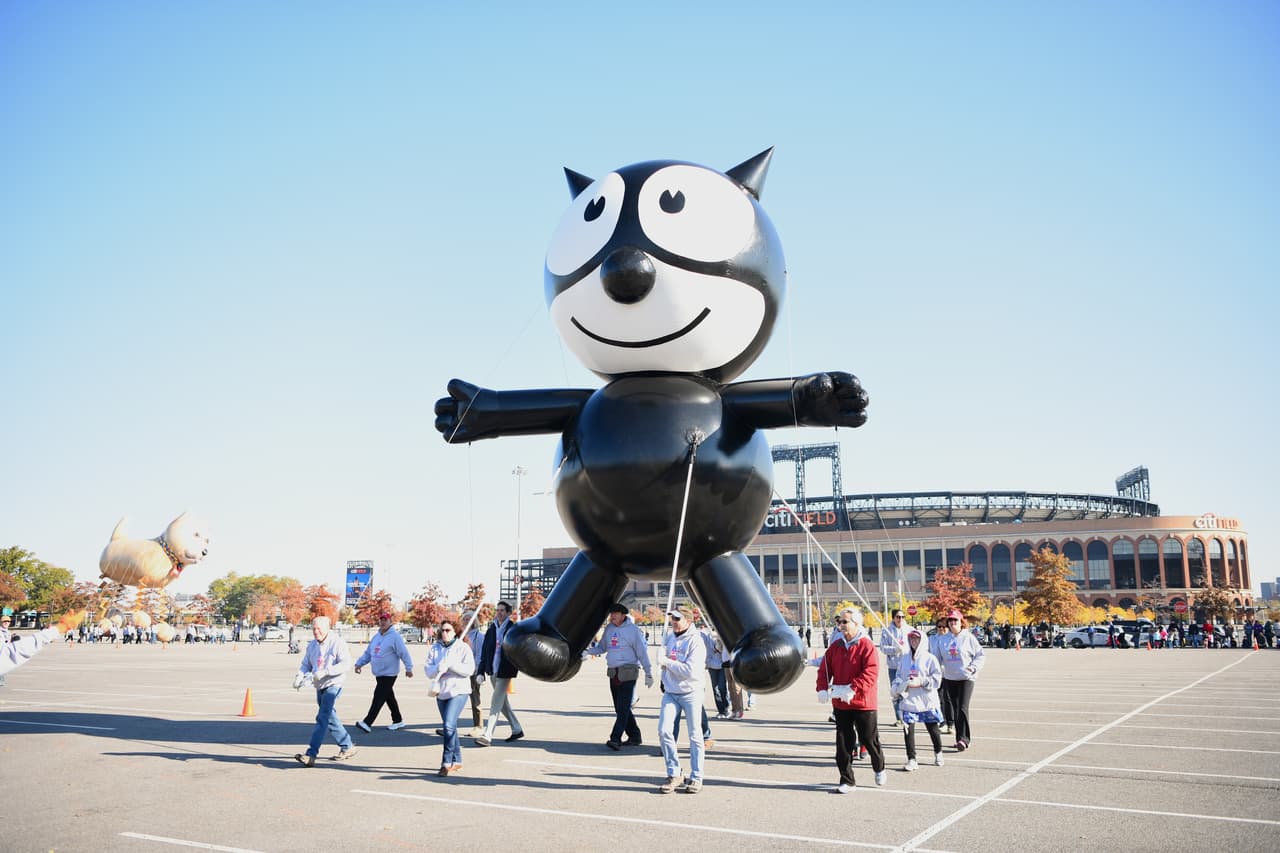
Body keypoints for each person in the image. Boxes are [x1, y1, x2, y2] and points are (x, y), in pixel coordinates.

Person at [817, 607, 885, 793]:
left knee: (868, 738)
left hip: (863, 702)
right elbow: (824, 669)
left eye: (845, 622)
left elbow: (871, 672)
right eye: (839, 622)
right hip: (841, 702)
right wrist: (822, 688)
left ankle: (879, 766)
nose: (841, 625)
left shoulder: (867, 645)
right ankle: (847, 780)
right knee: (843, 742)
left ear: (857, 624)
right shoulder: (835, 646)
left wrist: (853, 688)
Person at [585, 603, 652, 750]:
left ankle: (615, 738)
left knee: (623, 707)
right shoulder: (609, 629)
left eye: (615, 614)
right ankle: (635, 735)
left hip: (628, 672)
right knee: (620, 707)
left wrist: (648, 672)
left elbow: (642, 652)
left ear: (623, 615)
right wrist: (588, 652)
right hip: (613, 672)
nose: (612, 616)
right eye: (611, 614)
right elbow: (602, 647)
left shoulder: (633, 631)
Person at [293, 615, 357, 766]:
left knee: (322, 717)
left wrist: (326, 671)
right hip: (319, 685)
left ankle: (311, 754)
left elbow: (346, 664)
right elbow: (306, 664)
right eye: (313, 629)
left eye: (319, 629)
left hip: (334, 683)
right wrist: (299, 676)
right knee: (329, 716)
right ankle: (347, 746)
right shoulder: (312, 645)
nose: (316, 632)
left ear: (327, 628)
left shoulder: (337, 643)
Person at [656, 607, 707, 794]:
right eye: (672, 618)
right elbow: (667, 666)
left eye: (677, 618)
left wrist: (666, 662)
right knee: (663, 731)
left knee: (695, 736)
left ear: (688, 620)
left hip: (691, 692)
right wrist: (662, 673)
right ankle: (674, 772)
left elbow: (690, 671)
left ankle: (696, 776)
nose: (674, 622)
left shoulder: (696, 641)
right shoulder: (669, 638)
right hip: (671, 692)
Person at [424, 619, 476, 776]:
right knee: (450, 727)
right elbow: (428, 670)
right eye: (443, 630)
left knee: (448, 725)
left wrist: (452, 666)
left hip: (459, 691)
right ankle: (457, 760)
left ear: (455, 632)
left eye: (448, 630)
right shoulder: (435, 648)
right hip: (441, 692)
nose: (445, 633)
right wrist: (438, 668)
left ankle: (446, 763)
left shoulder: (462, 648)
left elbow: (470, 670)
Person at [891, 627, 945, 770]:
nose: (914, 641)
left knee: (933, 729)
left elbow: (937, 678)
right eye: (911, 639)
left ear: (922, 640)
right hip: (909, 701)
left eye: (916, 638)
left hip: (926, 700)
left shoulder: (930, 658)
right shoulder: (904, 658)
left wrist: (922, 681)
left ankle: (938, 752)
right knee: (908, 730)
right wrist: (897, 686)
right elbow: (898, 675)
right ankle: (912, 758)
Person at [352, 611, 414, 732]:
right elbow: (369, 653)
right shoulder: (377, 637)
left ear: (390, 621)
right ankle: (398, 720)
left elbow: (404, 653)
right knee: (389, 697)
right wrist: (359, 663)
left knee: (378, 697)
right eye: (381, 620)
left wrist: (409, 668)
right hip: (379, 673)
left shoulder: (395, 637)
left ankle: (367, 722)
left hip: (389, 673)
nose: (383, 622)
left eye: (385, 620)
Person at [477, 601, 523, 746]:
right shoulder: (492, 629)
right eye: (498, 610)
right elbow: (485, 651)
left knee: (495, 701)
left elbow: (518, 650)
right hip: (493, 670)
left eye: (502, 610)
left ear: (509, 613)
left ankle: (487, 734)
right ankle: (517, 729)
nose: (499, 613)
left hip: (505, 671)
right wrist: (481, 672)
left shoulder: (513, 629)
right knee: (503, 704)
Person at [938, 609, 985, 751]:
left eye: (955, 620)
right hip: (949, 678)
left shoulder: (969, 638)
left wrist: (973, 668)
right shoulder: (943, 639)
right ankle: (959, 738)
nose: (952, 623)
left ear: (961, 622)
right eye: (950, 621)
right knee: (955, 708)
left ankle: (965, 739)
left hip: (966, 678)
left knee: (962, 708)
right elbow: (936, 658)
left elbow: (980, 655)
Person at [1, 609, 85, 679]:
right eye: (5, 621)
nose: (7, 622)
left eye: (8, 621)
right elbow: (13, 652)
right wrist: (58, 629)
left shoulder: (8, 633)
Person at [879, 609, 909, 725]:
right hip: (893, 667)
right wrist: (895, 649)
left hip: (906, 666)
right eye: (898, 617)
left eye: (902, 617)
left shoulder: (909, 630)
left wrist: (906, 651)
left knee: (906, 692)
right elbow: (882, 647)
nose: (900, 619)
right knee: (895, 692)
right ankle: (899, 718)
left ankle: (907, 716)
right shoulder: (887, 631)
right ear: (893, 618)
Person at [461, 611, 487, 737]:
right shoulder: (459, 635)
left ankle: (479, 726)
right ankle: (449, 725)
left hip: (473, 672)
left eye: (468, 619)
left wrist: (474, 670)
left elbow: (480, 655)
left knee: (475, 699)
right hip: (459, 672)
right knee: (455, 699)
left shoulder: (478, 636)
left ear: (474, 621)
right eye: (464, 619)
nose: (466, 621)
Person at [929, 616, 954, 734]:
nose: (941, 629)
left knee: (948, 698)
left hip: (949, 672)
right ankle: (942, 721)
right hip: (935, 673)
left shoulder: (951, 639)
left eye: (944, 626)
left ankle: (951, 723)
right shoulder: (932, 639)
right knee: (939, 698)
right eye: (939, 626)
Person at [703, 626, 729, 719]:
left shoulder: (723, 635)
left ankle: (726, 708)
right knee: (715, 689)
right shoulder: (706, 635)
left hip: (722, 665)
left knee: (722, 687)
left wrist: (719, 645)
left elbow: (724, 650)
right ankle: (720, 710)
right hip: (711, 665)